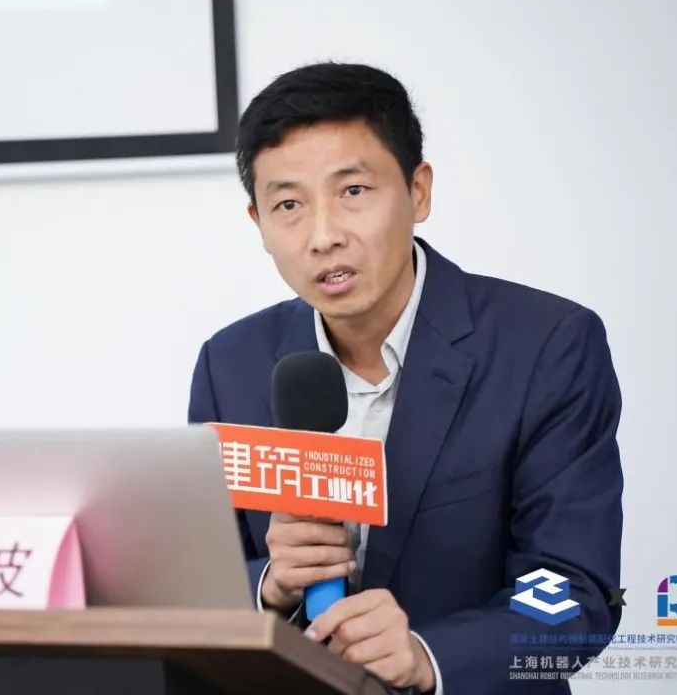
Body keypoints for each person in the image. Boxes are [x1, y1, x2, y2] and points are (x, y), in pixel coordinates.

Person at [187, 62, 623, 694]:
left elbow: (576, 594)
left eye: (353, 191)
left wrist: (429, 656)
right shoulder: (231, 363)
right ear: (259, 224)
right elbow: (198, 580)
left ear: (418, 191)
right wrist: (269, 585)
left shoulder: (546, 346)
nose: (323, 236)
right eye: (289, 205)